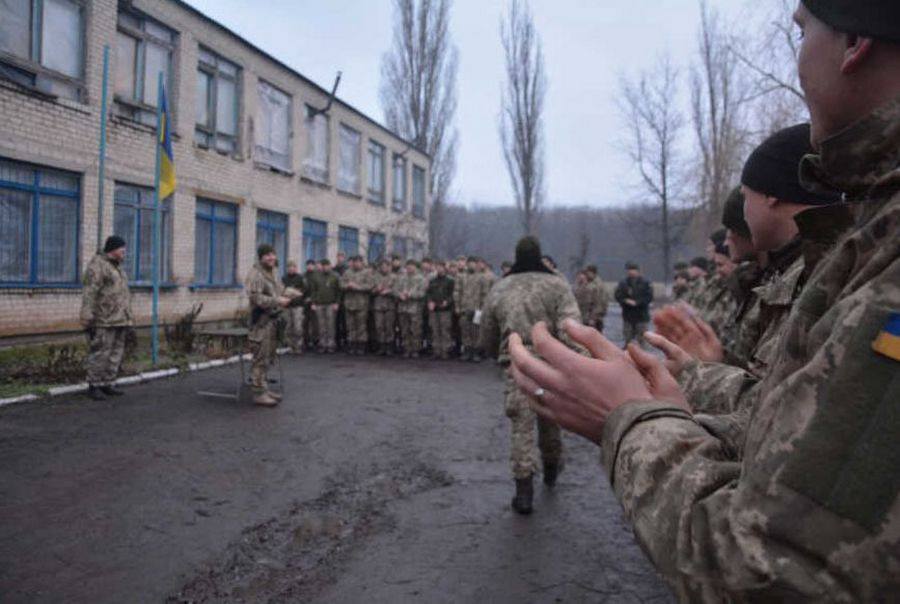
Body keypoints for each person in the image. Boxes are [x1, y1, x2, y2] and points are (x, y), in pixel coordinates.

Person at [508, 1, 900, 597]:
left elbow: (772, 572)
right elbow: (808, 433)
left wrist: (631, 419)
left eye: (803, 30)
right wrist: (690, 386)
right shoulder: (871, 234)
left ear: (853, 43)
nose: (798, 56)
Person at [654, 123, 851, 414]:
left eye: (747, 196)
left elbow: (784, 414)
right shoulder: (792, 271)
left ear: (772, 195)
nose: (743, 215)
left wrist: (697, 373)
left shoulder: (821, 275)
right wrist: (716, 361)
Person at [481, 236, 581, 514]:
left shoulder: (501, 287)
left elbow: (488, 329)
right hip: (550, 362)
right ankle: (551, 467)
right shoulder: (557, 285)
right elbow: (571, 326)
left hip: (516, 363)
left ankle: (523, 491)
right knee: (550, 420)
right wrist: (575, 361)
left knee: (521, 427)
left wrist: (494, 352)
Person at [80, 236, 133, 401]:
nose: (124, 253)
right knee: (100, 352)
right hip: (104, 318)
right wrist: (86, 314)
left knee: (115, 353)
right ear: (113, 249)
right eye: (122, 250)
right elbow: (90, 292)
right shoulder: (98, 265)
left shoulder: (118, 268)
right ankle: (94, 385)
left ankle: (107, 383)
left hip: (120, 318)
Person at [245, 244, 292, 407]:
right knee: (260, 358)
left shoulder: (272, 272)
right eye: (267, 255)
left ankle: (264, 388)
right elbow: (256, 298)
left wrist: (291, 293)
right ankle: (258, 394)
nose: (271, 257)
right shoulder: (256, 274)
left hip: (272, 321)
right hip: (261, 322)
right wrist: (277, 301)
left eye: (273, 254)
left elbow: (279, 289)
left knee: (268, 358)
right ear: (261, 257)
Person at [457, 256, 489, 362]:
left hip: (477, 308)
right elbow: (457, 292)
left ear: (476, 264)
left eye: (473, 263)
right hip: (464, 308)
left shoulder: (482, 277)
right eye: (469, 263)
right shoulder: (461, 277)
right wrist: (458, 306)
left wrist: (482, 308)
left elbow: (485, 294)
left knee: (476, 331)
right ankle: (467, 351)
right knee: (465, 331)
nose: (471, 265)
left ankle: (476, 352)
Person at [613, 261, 653, 346]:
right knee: (628, 340)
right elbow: (617, 295)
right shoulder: (623, 283)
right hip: (628, 315)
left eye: (633, 269)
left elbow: (649, 297)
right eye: (629, 270)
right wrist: (625, 301)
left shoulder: (645, 283)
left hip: (641, 316)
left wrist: (637, 302)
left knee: (641, 340)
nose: (631, 272)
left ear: (638, 271)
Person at [341, 255, 374, 355]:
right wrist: (347, 286)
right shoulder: (347, 272)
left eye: (358, 262)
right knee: (350, 326)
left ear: (362, 262)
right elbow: (341, 284)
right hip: (349, 303)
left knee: (361, 326)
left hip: (361, 303)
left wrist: (357, 287)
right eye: (354, 262)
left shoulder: (367, 272)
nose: (356, 263)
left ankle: (361, 347)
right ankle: (352, 345)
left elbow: (370, 286)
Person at [395, 260, 428, 358]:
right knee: (404, 330)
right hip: (403, 308)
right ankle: (406, 349)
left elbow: (422, 293)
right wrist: (399, 295)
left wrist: (410, 295)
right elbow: (395, 290)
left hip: (415, 308)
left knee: (415, 330)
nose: (409, 268)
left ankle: (415, 350)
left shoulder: (421, 279)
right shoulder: (401, 278)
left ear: (416, 267)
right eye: (408, 266)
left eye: (411, 266)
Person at [425, 261, 455, 359]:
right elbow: (428, 293)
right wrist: (429, 302)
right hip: (434, 309)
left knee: (445, 330)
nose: (439, 269)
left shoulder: (450, 281)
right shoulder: (432, 281)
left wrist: (448, 302)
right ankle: (436, 350)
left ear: (444, 268)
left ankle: (445, 351)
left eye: (441, 267)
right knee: (435, 330)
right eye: (437, 267)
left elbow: (453, 294)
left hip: (445, 309)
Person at [310, 259, 340, 353]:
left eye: (327, 265)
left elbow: (338, 291)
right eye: (323, 265)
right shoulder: (316, 276)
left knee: (330, 325)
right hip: (319, 304)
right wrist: (313, 303)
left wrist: (337, 303)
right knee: (321, 325)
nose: (325, 267)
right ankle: (322, 344)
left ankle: (331, 344)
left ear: (330, 265)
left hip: (331, 304)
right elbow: (313, 290)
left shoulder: (335, 276)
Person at [371, 259, 398, 355]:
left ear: (389, 267)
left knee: (389, 327)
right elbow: (370, 290)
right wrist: (376, 290)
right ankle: (381, 346)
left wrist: (389, 291)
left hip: (390, 305)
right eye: (382, 266)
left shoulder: (394, 277)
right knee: (379, 326)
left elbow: (397, 290)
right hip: (378, 305)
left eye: (386, 266)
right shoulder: (375, 277)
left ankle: (389, 347)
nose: (384, 268)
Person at [281, 260, 306, 354]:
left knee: (298, 327)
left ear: (296, 268)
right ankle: (290, 346)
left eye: (293, 267)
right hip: (287, 306)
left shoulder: (300, 278)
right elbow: (281, 291)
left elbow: (303, 292)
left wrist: (294, 296)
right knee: (288, 327)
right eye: (289, 267)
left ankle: (298, 346)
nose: (291, 268)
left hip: (297, 306)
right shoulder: (284, 278)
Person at [583, 265, 609, 332]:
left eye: (587, 273)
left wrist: (593, 318)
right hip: (587, 317)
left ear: (592, 273)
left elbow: (599, 303)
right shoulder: (588, 283)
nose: (586, 275)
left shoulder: (598, 285)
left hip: (595, 319)